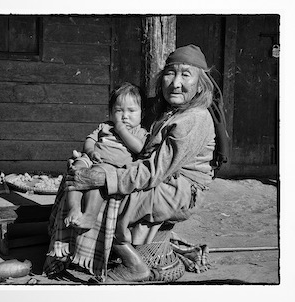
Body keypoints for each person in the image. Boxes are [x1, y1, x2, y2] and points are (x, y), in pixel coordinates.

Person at [44, 44, 225, 283]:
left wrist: (106, 178)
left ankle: (134, 265)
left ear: (200, 84)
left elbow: (153, 170)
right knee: (81, 177)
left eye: (185, 74)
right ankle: (75, 249)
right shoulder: (172, 111)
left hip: (178, 190)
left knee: (105, 195)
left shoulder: (193, 119)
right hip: (162, 178)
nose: (176, 82)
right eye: (170, 73)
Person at [64, 82, 148, 229]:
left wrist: (122, 130)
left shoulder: (140, 132)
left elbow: (139, 148)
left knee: (94, 179)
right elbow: (90, 140)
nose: (125, 116)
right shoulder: (105, 126)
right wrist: (90, 152)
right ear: (111, 112)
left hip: (110, 167)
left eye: (131, 111)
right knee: (76, 171)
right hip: (92, 158)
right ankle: (74, 208)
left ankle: (90, 215)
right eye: (119, 111)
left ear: (142, 113)